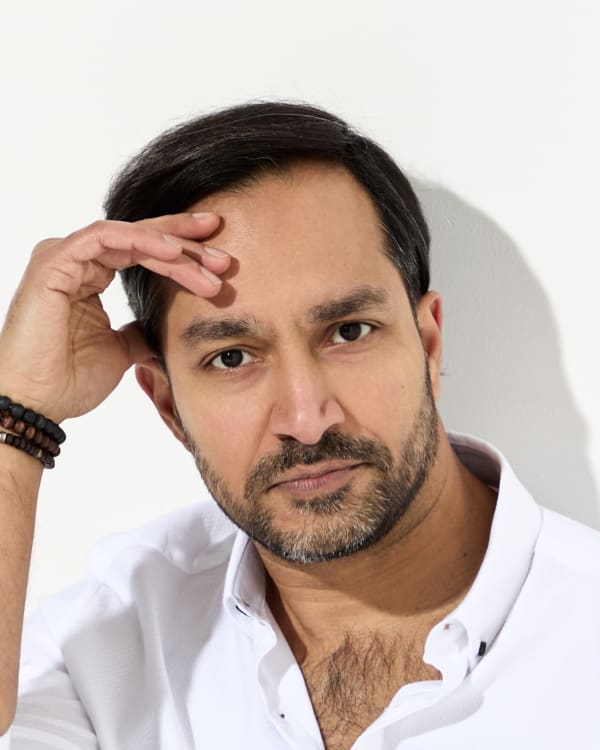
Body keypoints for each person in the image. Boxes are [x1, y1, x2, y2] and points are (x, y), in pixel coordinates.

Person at [0, 101, 599, 750]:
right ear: (168, 406)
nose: (307, 421)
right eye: (232, 358)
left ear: (428, 346)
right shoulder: (112, 640)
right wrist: (18, 411)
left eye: (349, 332)